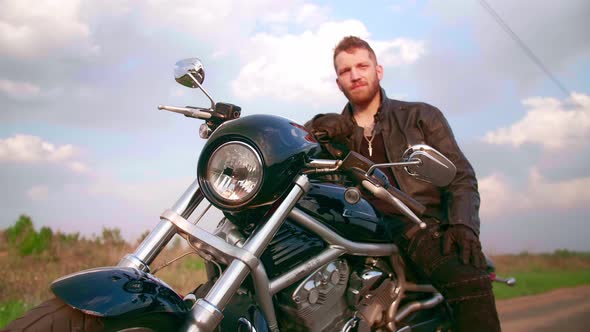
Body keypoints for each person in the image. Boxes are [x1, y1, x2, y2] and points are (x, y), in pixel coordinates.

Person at [307, 36, 501, 331]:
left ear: (378, 70)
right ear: (338, 82)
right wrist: (316, 127)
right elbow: (297, 151)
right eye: (346, 71)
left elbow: (460, 176)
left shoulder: (420, 116)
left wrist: (462, 224)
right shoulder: (333, 132)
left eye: (362, 65)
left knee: (470, 281)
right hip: (354, 231)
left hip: (415, 224)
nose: (355, 75)